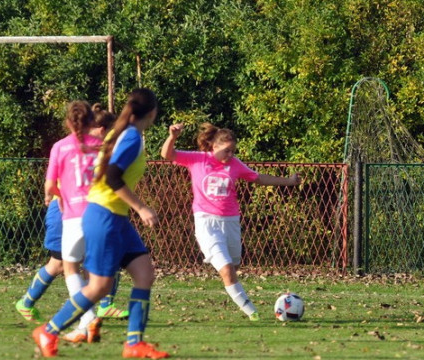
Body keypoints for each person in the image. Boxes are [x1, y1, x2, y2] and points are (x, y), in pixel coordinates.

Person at [33, 88, 170, 359]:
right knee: (99, 287)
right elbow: (112, 177)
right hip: (104, 216)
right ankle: (48, 330)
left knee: (144, 274)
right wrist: (141, 207)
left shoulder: (124, 133)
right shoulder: (130, 137)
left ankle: (133, 344)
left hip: (115, 217)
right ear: (152, 113)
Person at [160, 122, 301, 321]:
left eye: (233, 151)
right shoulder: (197, 159)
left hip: (231, 223)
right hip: (206, 223)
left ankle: (236, 294)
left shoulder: (235, 164)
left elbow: (258, 178)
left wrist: (289, 181)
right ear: (214, 147)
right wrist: (172, 137)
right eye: (226, 151)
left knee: (233, 267)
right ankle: (252, 313)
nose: (230, 155)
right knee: (226, 270)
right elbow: (167, 154)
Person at [15, 104, 128, 333]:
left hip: (72, 213)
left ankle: (91, 315)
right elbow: (117, 179)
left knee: (71, 267)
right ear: (92, 124)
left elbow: (49, 187)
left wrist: (60, 196)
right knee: (70, 263)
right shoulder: (105, 147)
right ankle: (29, 302)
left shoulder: (59, 147)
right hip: (98, 213)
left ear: (68, 122)